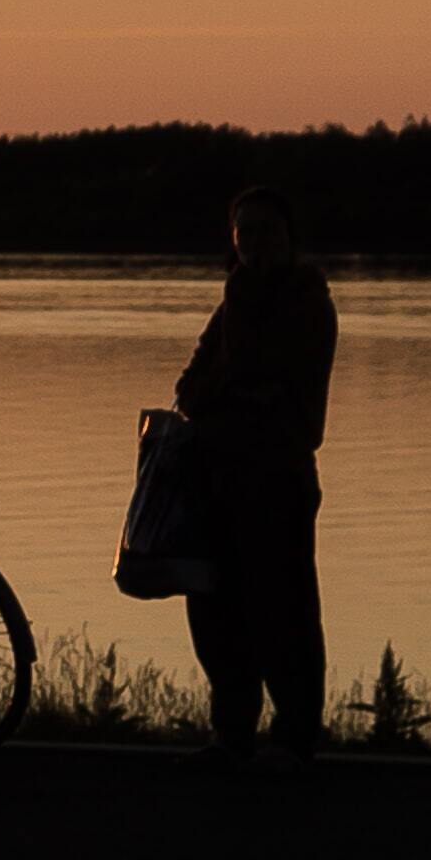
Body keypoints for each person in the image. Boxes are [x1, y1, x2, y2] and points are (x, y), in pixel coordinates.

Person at [177, 186, 338, 761]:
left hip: (278, 478)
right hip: (218, 479)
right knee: (216, 612)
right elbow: (190, 389)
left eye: (266, 231)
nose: (254, 243)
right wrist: (230, 391)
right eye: (244, 233)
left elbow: (264, 380)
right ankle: (232, 731)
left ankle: (295, 734)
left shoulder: (306, 302)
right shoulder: (231, 303)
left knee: (284, 611)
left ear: (289, 236)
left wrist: (232, 391)